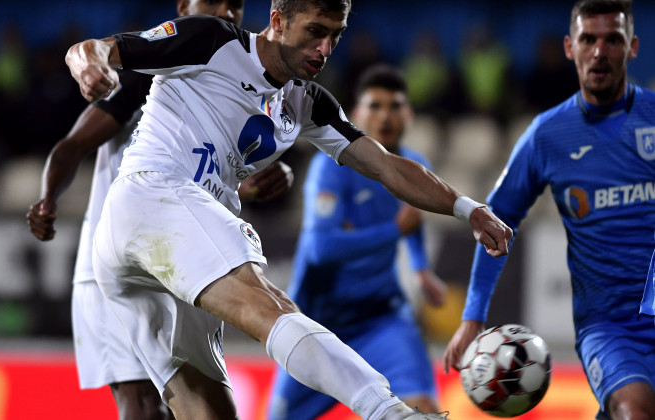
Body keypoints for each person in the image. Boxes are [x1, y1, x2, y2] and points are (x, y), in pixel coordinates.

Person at [66, 0, 513, 418]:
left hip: (151, 244)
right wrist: (92, 69)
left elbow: (388, 166)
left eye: (335, 35)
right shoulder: (213, 41)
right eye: (315, 31)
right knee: (272, 307)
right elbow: (90, 49)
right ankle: (387, 410)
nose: (324, 48)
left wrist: (468, 209)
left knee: (206, 404)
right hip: (153, 197)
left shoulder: (307, 102)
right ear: (277, 21)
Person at [27, 1, 292, 419]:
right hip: (117, 258)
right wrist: (48, 197)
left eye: (237, 4)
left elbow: (220, 169)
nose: (226, 10)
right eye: (213, 1)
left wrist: (266, 179)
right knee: (146, 406)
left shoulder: (233, 90)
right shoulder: (144, 76)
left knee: (188, 403)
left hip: (180, 265)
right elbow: (72, 145)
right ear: (184, 8)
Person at [443, 1, 655, 419]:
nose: (600, 51)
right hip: (610, 326)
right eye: (588, 39)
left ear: (631, 47)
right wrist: (473, 315)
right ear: (569, 47)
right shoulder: (547, 135)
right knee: (635, 410)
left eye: (612, 40)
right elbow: (495, 220)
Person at [268, 64, 447, 419]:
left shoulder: (416, 165)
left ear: (408, 114)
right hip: (319, 325)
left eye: (395, 106)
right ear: (357, 113)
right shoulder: (331, 168)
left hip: (382, 318)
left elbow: (414, 220)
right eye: (375, 106)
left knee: (422, 411)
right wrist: (392, 231)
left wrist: (421, 268)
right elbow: (322, 249)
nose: (386, 115)